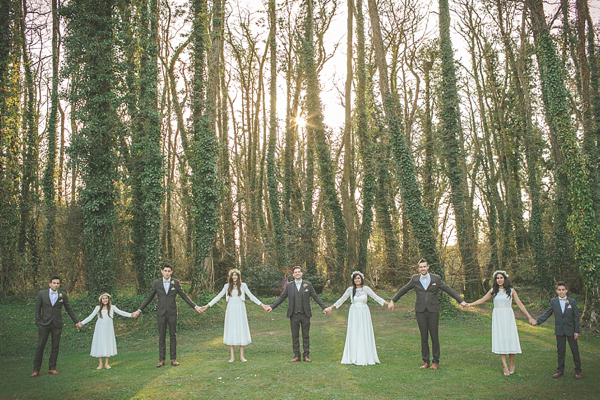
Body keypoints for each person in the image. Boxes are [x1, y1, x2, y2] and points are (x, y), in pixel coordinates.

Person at [387, 258, 467, 370]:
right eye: (421, 267)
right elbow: (403, 290)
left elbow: (448, 290)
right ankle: (426, 361)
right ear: (418, 268)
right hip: (420, 311)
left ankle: (435, 361)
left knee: (434, 336)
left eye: (424, 266)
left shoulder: (436, 279)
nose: (423, 268)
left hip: (433, 311)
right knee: (423, 336)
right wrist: (393, 301)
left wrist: (461, 301)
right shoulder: (415, 279)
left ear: (428, 267)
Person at [467, 271, 536, 376]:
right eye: (497, 278)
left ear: (505, 279)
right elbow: (482, 300)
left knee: (510, 338)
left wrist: (529, 317)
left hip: (508, 316)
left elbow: (520, 304)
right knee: (501, 339)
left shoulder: (511, 291)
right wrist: (470, 304)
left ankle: (512, 363)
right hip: (498, 316)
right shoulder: (492, 291)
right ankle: (505, 365)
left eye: (501, 277)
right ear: (495, 280)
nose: (499, 280)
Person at [132, 263, 202, 367]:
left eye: (169, 271)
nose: (167, 273)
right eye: (165, 271)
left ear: (171, 272)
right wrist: (139, 310)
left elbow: (184, 296)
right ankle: (161, 360)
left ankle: (173, 359)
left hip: (172, 313)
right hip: (161, 313)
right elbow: (149, 298)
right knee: (161, 336)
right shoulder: (157, 283)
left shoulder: (176, 283)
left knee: (173, 336)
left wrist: (195, 306)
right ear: (162, 271)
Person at [200, 269, 269, 362]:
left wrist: (262, 305)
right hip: (231, 309)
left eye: (236, 275)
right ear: (230, 277)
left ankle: (242, 356)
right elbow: (218, 296)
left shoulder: (243, 286)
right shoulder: (227, 286)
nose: (234, 277)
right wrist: (207, 306)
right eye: (233, 275)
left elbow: (251, 296)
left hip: (240, 309)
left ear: (238, 276)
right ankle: (232, 357)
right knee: (231, 329)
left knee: (241, 329)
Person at [267, 266, 330, 362]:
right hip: (294, 314)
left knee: (306, 335)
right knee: (295, 335)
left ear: (301, 273)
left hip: (305, 314)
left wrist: (324, 307)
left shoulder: (307, 285)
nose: (297, 273)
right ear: (293, 275)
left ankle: (306, 355)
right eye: (295, 272)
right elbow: (282, 297)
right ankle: (296, 355)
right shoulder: (289, 286)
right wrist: (272, 307)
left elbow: (315, 297)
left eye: (299, 272)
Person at [324, 271, 388, 365]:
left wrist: (387, 303)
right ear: (353, 280)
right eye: (355, 278)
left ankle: (365, 356)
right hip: (354, 313)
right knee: (354, 332)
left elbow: (376, 297)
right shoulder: (350, 289)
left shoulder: (366, 289)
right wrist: (331, 307)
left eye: (358, 278)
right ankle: (353, 356)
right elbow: (342, 299)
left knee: (363, 331)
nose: (357, 280)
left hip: (364, 312)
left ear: (361, 279)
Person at [32, 276, 82, 377]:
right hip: (44, 324)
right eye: (54, 283)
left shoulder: (62, 295)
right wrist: (38, 322)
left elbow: (68, 308)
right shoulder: (42, 294)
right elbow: (37, 309)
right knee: (40, 347)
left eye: (58, 283)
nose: (56, 285)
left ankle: (52, 368)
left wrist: (76, 321)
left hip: (56, 324)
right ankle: (36, 370)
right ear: (50, 284)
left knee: (55, 347)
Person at [533, 281, 582, 379]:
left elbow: (576, 317)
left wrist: (576, 331)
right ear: (556, 291)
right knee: (561, 350)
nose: (561, 292)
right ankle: (560, 370)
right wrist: (538, 321)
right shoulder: (554, 301)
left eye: (563, 290)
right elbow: (547, 313)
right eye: (559, 290)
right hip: (560, 330)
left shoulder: (572, 302)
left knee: (574, 350)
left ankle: (578, 370)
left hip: (571, 330)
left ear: (566, 290)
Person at [80, 293, 135, 370]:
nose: (105, 300)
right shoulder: (98, 308)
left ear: (108, 299)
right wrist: (82, 323)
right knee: (100, 344)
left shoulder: (112, 307)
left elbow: (121, 312)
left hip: (108, 329)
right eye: (103, 298)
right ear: (101, 300)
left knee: (107, 343)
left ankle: (106, 363)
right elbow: (90, 317)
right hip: (100, 328)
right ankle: (100, 363)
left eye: (106, 298)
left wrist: (131, 315)